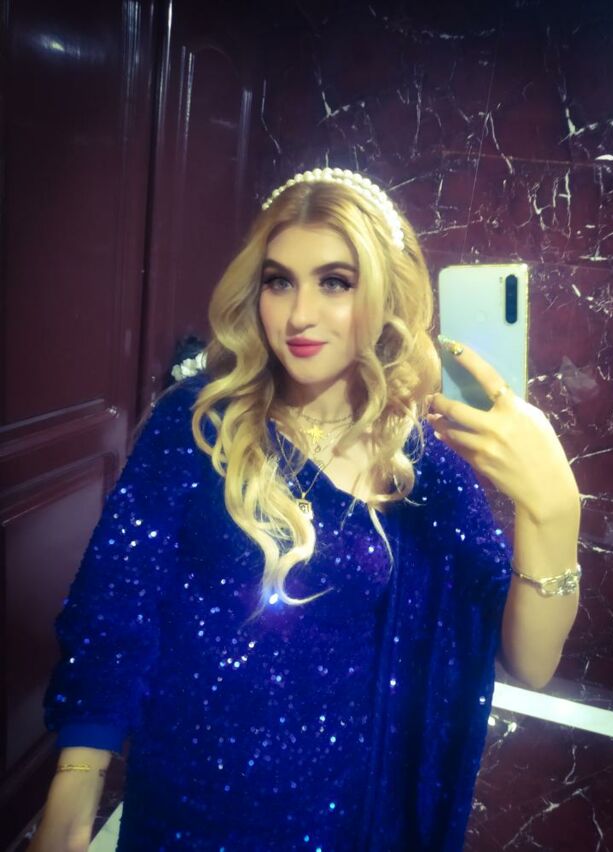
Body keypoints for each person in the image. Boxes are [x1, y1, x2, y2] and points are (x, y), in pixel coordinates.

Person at [30, 167, 581, 851]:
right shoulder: (196, 425)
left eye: (335, 282)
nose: (298, 316)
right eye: (279, 281)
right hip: (189, 806)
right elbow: (114, 606)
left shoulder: (421, 468)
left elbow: (529, 662)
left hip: (348, 817)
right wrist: (77, 781)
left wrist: (554, 511)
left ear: (383, 295)